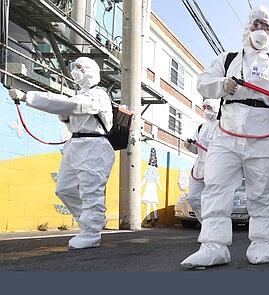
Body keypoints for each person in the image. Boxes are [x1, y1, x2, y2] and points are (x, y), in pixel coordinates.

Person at [181, 5, 269, 268]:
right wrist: (223, 84)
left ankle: (261, 242)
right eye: (257, 24)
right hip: (227, 133)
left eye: (267, 27)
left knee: (260, 192)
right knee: (216, 187)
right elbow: (202, 82)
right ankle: (213, 246)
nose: (261, 30)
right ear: (247, 26)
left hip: (264, 136)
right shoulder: (227, 59)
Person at [9, 57, 115, 249]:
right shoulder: (80, 94)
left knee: (91, 192)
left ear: (91, 71)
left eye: (80, 67)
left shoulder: (98, 95)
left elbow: (72, 105)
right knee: (64, 189)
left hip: (94, 146)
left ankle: (91, 234)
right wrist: (65, 118)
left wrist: (28, 97)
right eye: (74, 67)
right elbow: (70, 111)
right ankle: (92, 221)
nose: (76, 70)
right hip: (75, 144)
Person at [183, 99, 218, 223]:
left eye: (209, 107)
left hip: (216, 168)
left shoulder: (224, 126)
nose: (206, 111)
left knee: (213, 201)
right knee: (194, 198)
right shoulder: (201, 127)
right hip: (199, 169)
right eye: (205, 107)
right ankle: (207, 226)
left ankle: (213, 230)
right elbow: (196, 149)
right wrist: (189, 146)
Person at [141, 148, 163, 225]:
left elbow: (145, 178)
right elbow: (157, 180)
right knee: (153, 203)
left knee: (149, 203)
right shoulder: (155, 170)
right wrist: (160, 187)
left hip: (149, 186)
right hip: (152, 187)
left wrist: (140, 186)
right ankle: (155, 216)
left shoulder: (149, 169)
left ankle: (149, 218)